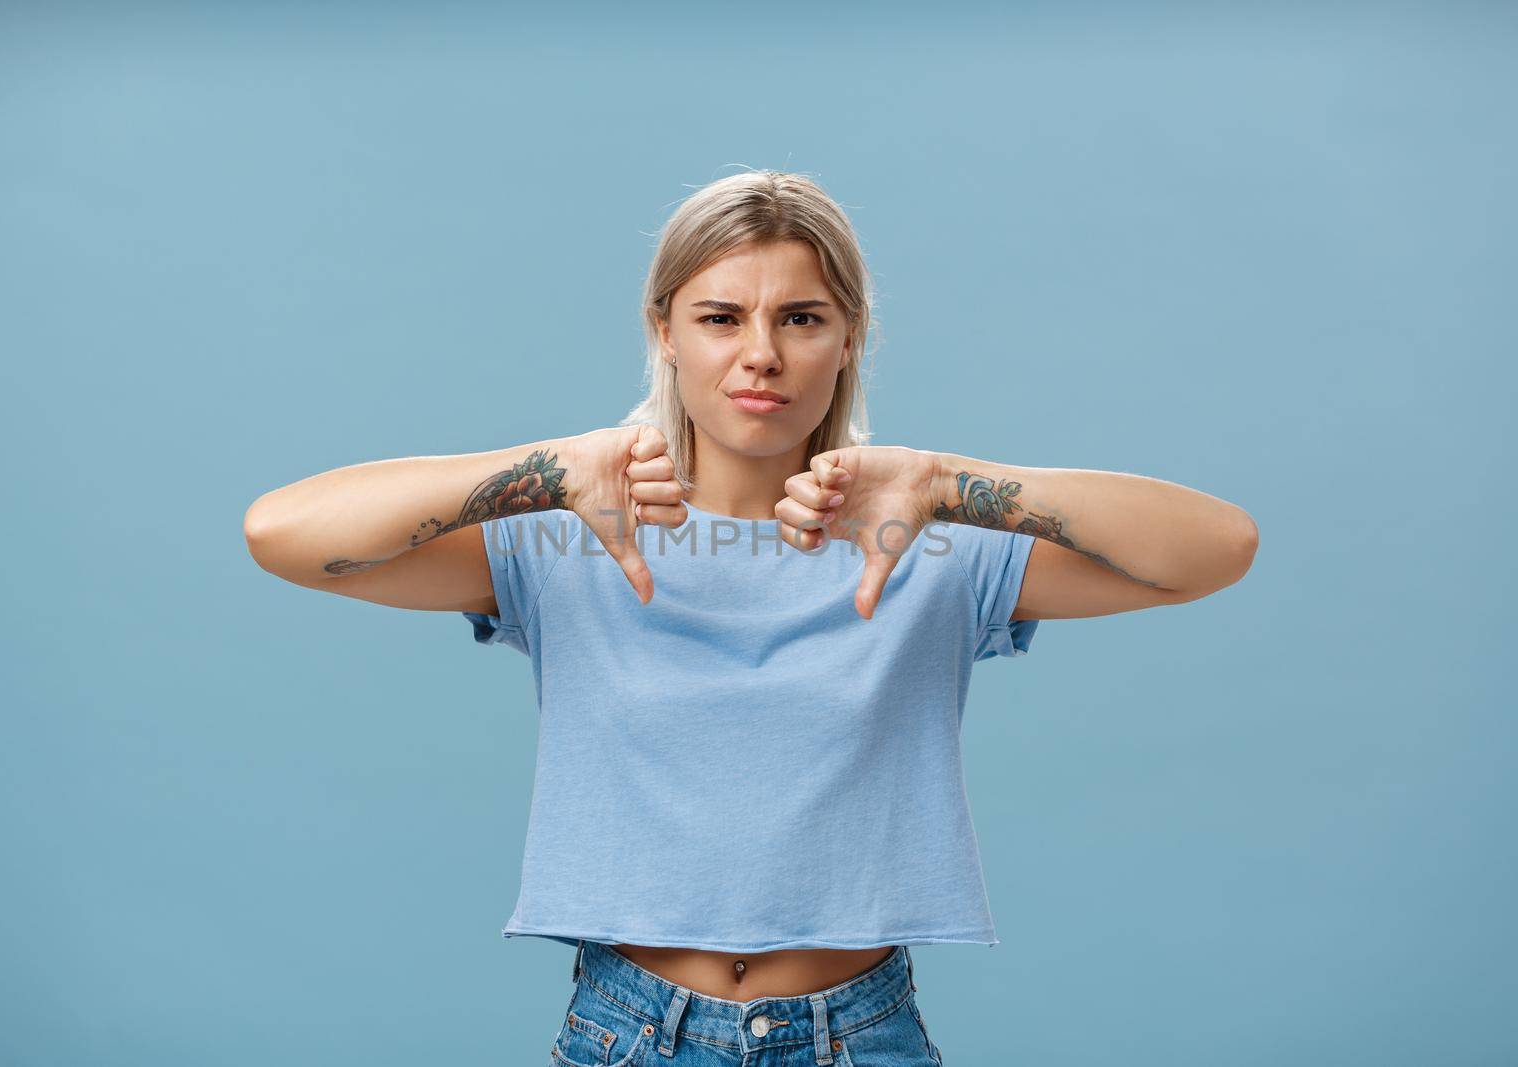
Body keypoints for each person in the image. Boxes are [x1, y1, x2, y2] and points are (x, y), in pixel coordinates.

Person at [244, 171, 1259, 1066]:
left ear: (849, 332)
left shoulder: (929, 542)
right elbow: (282, 533)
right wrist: (544, 468)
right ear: (664, 331)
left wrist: (949, 481)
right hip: (629, 1032)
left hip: (856, 1035)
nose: (760, 354)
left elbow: (1217, 548)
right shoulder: (566, 540)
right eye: (721, 317)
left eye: (802, 318)